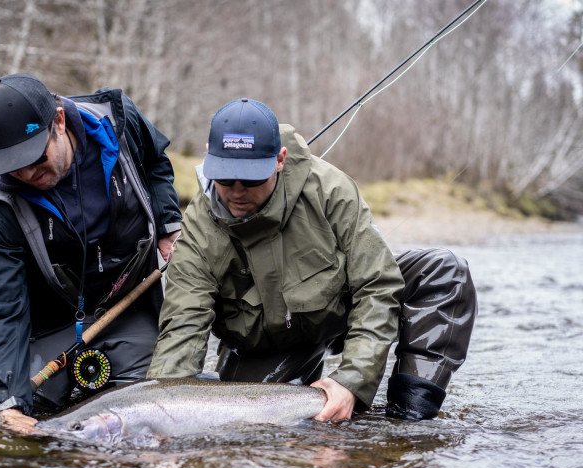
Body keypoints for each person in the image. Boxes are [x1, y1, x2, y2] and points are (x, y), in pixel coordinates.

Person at [146, 98, 477, 421]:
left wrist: (352, 382)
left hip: (340, 310)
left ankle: (407, 421)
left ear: (280, 159)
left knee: (443, 271)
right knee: (250, 431)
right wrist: (161, 411)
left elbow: (377, 285)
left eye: (250, 178)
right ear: (209, 156)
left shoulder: (330, 190)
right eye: (225, 176)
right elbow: (183, 327)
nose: (236, 191)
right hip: (265, 345)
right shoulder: (197, 230)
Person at [0, 74, 181, 434]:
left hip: (127, 303)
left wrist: (168, 226)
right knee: (22, 407)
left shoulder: (117, 119)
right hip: (49, 322)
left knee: (144, 405)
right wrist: (7, 404)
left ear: (59, 121)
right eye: (14, 164)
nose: (28, 173)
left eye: (36, 156)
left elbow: (155, 164)